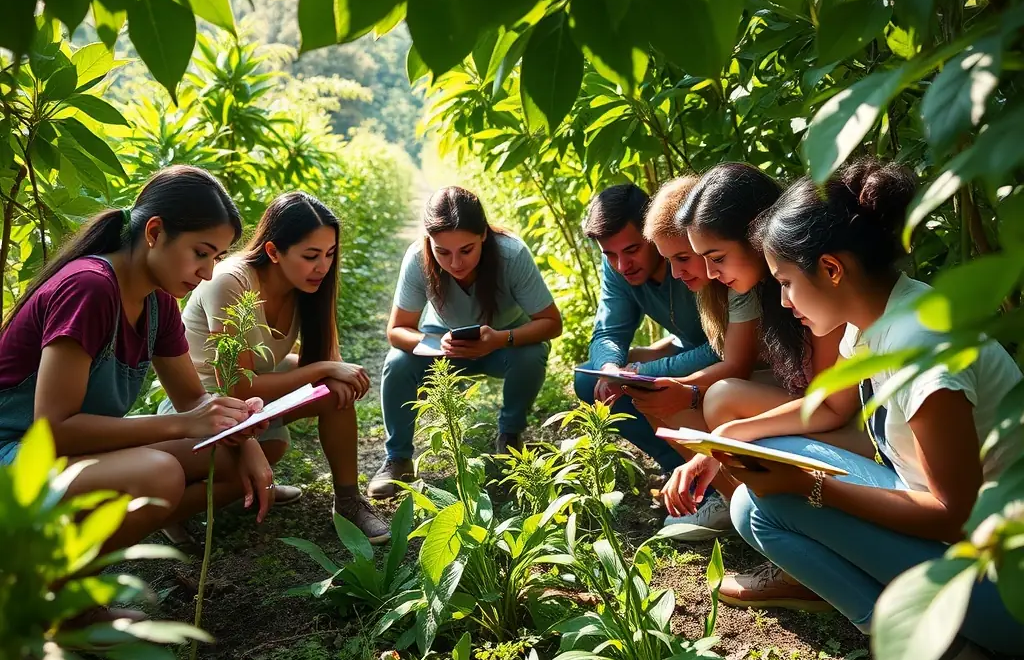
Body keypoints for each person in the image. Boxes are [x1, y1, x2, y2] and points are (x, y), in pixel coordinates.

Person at [721, 159, 1023, 660]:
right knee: (753, 500)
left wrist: (809, 487)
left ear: (832, 269)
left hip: (1007, 585)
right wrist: (734, 435)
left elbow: (951, 513)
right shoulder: (879, 315)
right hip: (968, 541)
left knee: (772, 506)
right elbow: (829, 412)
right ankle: (946, 658)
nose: (784, 302)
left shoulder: (920, 349)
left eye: (787, 282)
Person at [0, 166, 264, 566]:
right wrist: (184, 424)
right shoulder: (89, 288)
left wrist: (240, 431)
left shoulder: (158, 303)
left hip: (62, 457)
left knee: (226, 461)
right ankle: (53, 596)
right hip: (15, 453)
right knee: (158, 475)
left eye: (218, 258)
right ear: (155, 233)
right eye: (201, 252)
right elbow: (51, 432)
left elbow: (192, 398)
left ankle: (68, 557)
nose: (208, 272)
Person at [659, 163, 873, 548]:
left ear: (754, 235)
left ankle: (792, 535)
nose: (708, 272)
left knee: (724, 396)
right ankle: (763, 524)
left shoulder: (816, 289)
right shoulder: (775, 289)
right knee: (720, 397)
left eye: (718, 257)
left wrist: (727, 437)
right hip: (838, 416)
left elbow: (831, 406)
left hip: (863, 434)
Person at [164, 192, 388, 542]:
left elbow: (325, 360)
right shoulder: (230, 282)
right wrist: (320, 370)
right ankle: (172, 509)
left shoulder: (309, 285)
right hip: (202, 404)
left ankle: (348, 501)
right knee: (273, 446)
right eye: (310, 255)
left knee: (337, 391)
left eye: (329, 254)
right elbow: (236, 389)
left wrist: (329, 371)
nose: (323, 266)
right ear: (272, 251)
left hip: (251, 400)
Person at [370, 186, 562, 499]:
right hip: (444, 347)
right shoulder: (418, 258)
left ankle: (510, 435)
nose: (455, 262)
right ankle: (398, 458)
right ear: (429, 241)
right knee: (397, 362)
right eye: (442, 251)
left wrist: (500, 338)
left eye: (466, 250)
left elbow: (551, 324)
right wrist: (435, 343)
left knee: (532, 354)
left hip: (502, 346)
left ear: (484, 235)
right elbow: (397, 331)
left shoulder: (511, 254)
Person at [574, 182, 759, 475]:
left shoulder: (705, 260)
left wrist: (644, 373)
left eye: (632, 250)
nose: (622, 265)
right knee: (591, 380)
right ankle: (679, 469)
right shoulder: (622, 266)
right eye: (609, 255)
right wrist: (612, 369)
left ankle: (711, 479)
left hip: (727, 354)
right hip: (691, 349)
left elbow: (730, 351)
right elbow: (609, 331)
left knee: (664, 389)